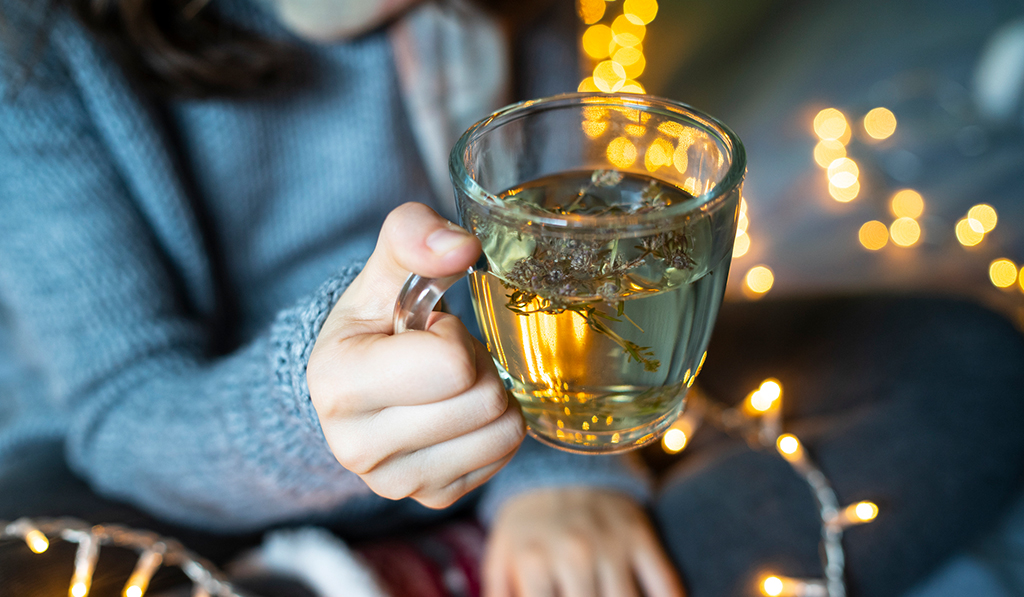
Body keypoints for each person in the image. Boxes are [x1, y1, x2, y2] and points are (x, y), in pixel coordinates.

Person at [0, 0, 684, 595]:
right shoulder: (32, 43)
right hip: (156, 477)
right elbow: (125, 410)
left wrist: (557, 464)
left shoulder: (518, 9)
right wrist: (312, 404)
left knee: (761, 501)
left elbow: (555, 266)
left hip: (480, 427)